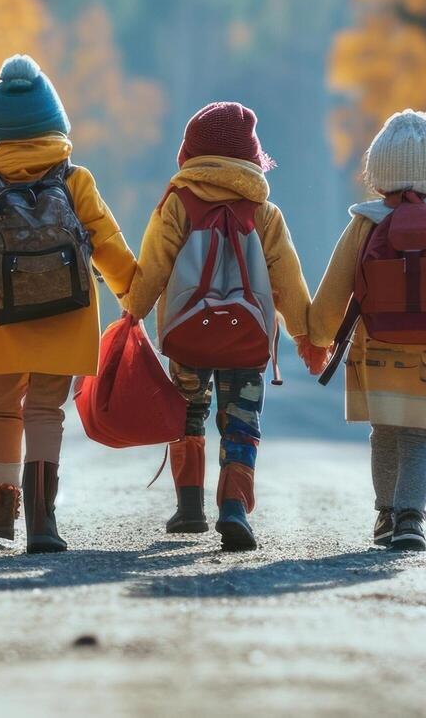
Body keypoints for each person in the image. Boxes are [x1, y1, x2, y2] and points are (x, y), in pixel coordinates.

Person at [0, 55, 138, 554]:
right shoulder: (74, 179)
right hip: (65, 315)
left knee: (3, 409)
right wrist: (133, 294)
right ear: (55, 126)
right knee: (45, 409)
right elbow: (108, 242)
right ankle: (42, 519)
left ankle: (2, 506)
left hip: (3, 319)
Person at [122, 102, 324, 551]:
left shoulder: (177, 203)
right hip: (247, 338)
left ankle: (189, 507)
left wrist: (133, 311)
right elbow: (288, 281)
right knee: (242, 421)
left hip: (186, 335)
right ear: (250, 157)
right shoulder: (264, 212)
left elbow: (153, 267)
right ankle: (233, 506)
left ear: (190, 153)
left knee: (187, 413)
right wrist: (307, 336)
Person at [307, 110, 426, 552]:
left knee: (387, 431)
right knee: (419, 436)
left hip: (376, 349)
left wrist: (316, 337)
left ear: (379, 169)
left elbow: (335, 287)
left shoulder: (367, 221)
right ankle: (412, 516)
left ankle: (386, 514)